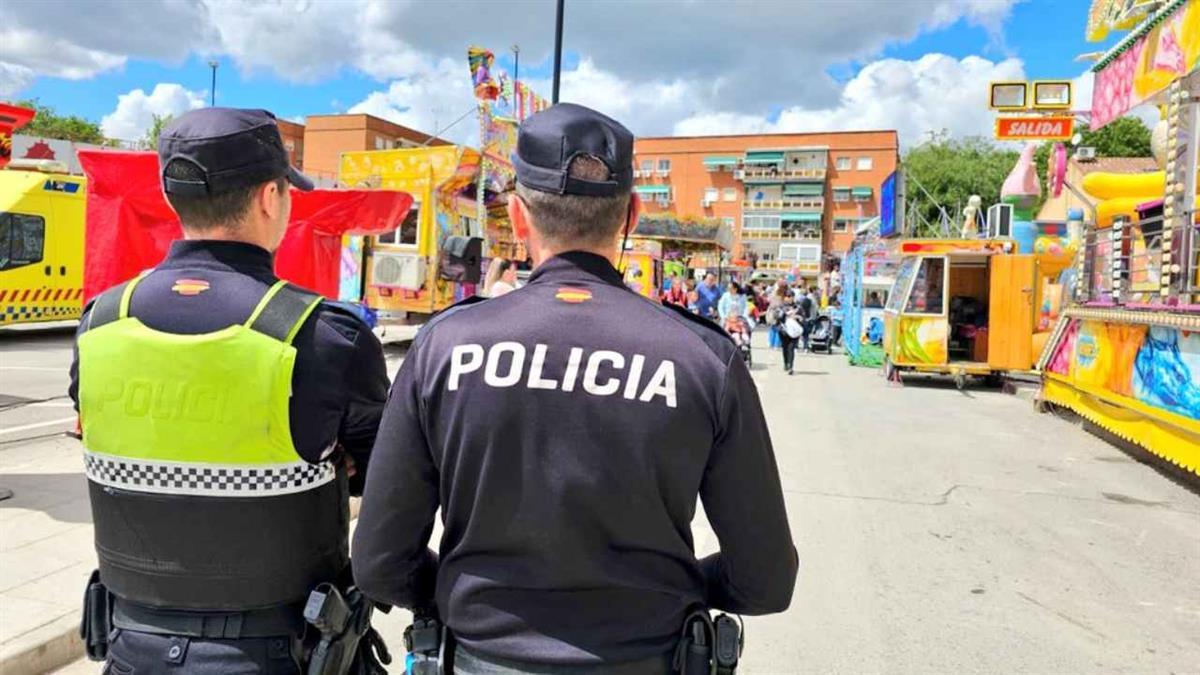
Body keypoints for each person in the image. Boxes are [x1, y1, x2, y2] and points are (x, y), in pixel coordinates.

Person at [353, 103, 796, 673]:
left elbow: (380, 563)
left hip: (480, 656)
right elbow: (766, 580)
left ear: (516, 217)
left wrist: (467, 591)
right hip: (648, 655)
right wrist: (676, 585)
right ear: (630, 214)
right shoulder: (701, 357)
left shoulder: (443, 347)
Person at [69, 108, 390, 674]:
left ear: (173, 200)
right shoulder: (324, 336)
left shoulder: (100, 323)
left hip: (131, 649)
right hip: (283, 652)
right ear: (271, 197)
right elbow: (381, 473)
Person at [778, 295, 803, 374]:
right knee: (785, 348)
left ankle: (791, 367)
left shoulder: (798, 307)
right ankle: (786, 363)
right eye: (787, 296)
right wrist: (786, 314)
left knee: (791, 349)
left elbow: (803, 318)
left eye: (791, 296)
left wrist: (798, 317)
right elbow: (778, 317)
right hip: (784, 331)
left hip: (794, 331)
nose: (789, 298)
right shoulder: (781, 306)